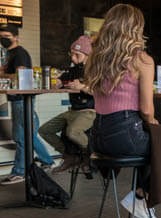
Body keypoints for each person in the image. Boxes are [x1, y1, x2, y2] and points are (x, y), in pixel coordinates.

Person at [83, 4, 160, 218]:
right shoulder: (142, 60)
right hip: (125, 135)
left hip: (97, 138)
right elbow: (146, 110)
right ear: (136, 28)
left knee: (156, 142)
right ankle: (140, 196)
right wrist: (152, 121)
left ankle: (140, 196)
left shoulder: (95, 58)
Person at [0, 23, 54, 184]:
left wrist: (4, 74)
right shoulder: (8, 54)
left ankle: (20, 171)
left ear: (15, 37)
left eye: (6, 36)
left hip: (22, 99)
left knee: (21, 136)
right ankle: (47, 162)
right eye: (1, 36)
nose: (3, 39)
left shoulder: (20, 53)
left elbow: (20, 76)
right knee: (28, 135)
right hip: (16, 100)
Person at [38, 35, 96, 174]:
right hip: (72, 111)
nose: (73, 58)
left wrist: (82, 87)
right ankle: (70, 157)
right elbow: (61, 80)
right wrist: (57, 82)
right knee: (44, 130)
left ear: (88, 55)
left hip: (90, 111)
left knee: (72, 132)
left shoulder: (95, 70)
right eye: (72, 54)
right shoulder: (73, 70)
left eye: (77, 55)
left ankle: (92, 157)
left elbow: (101, 92)